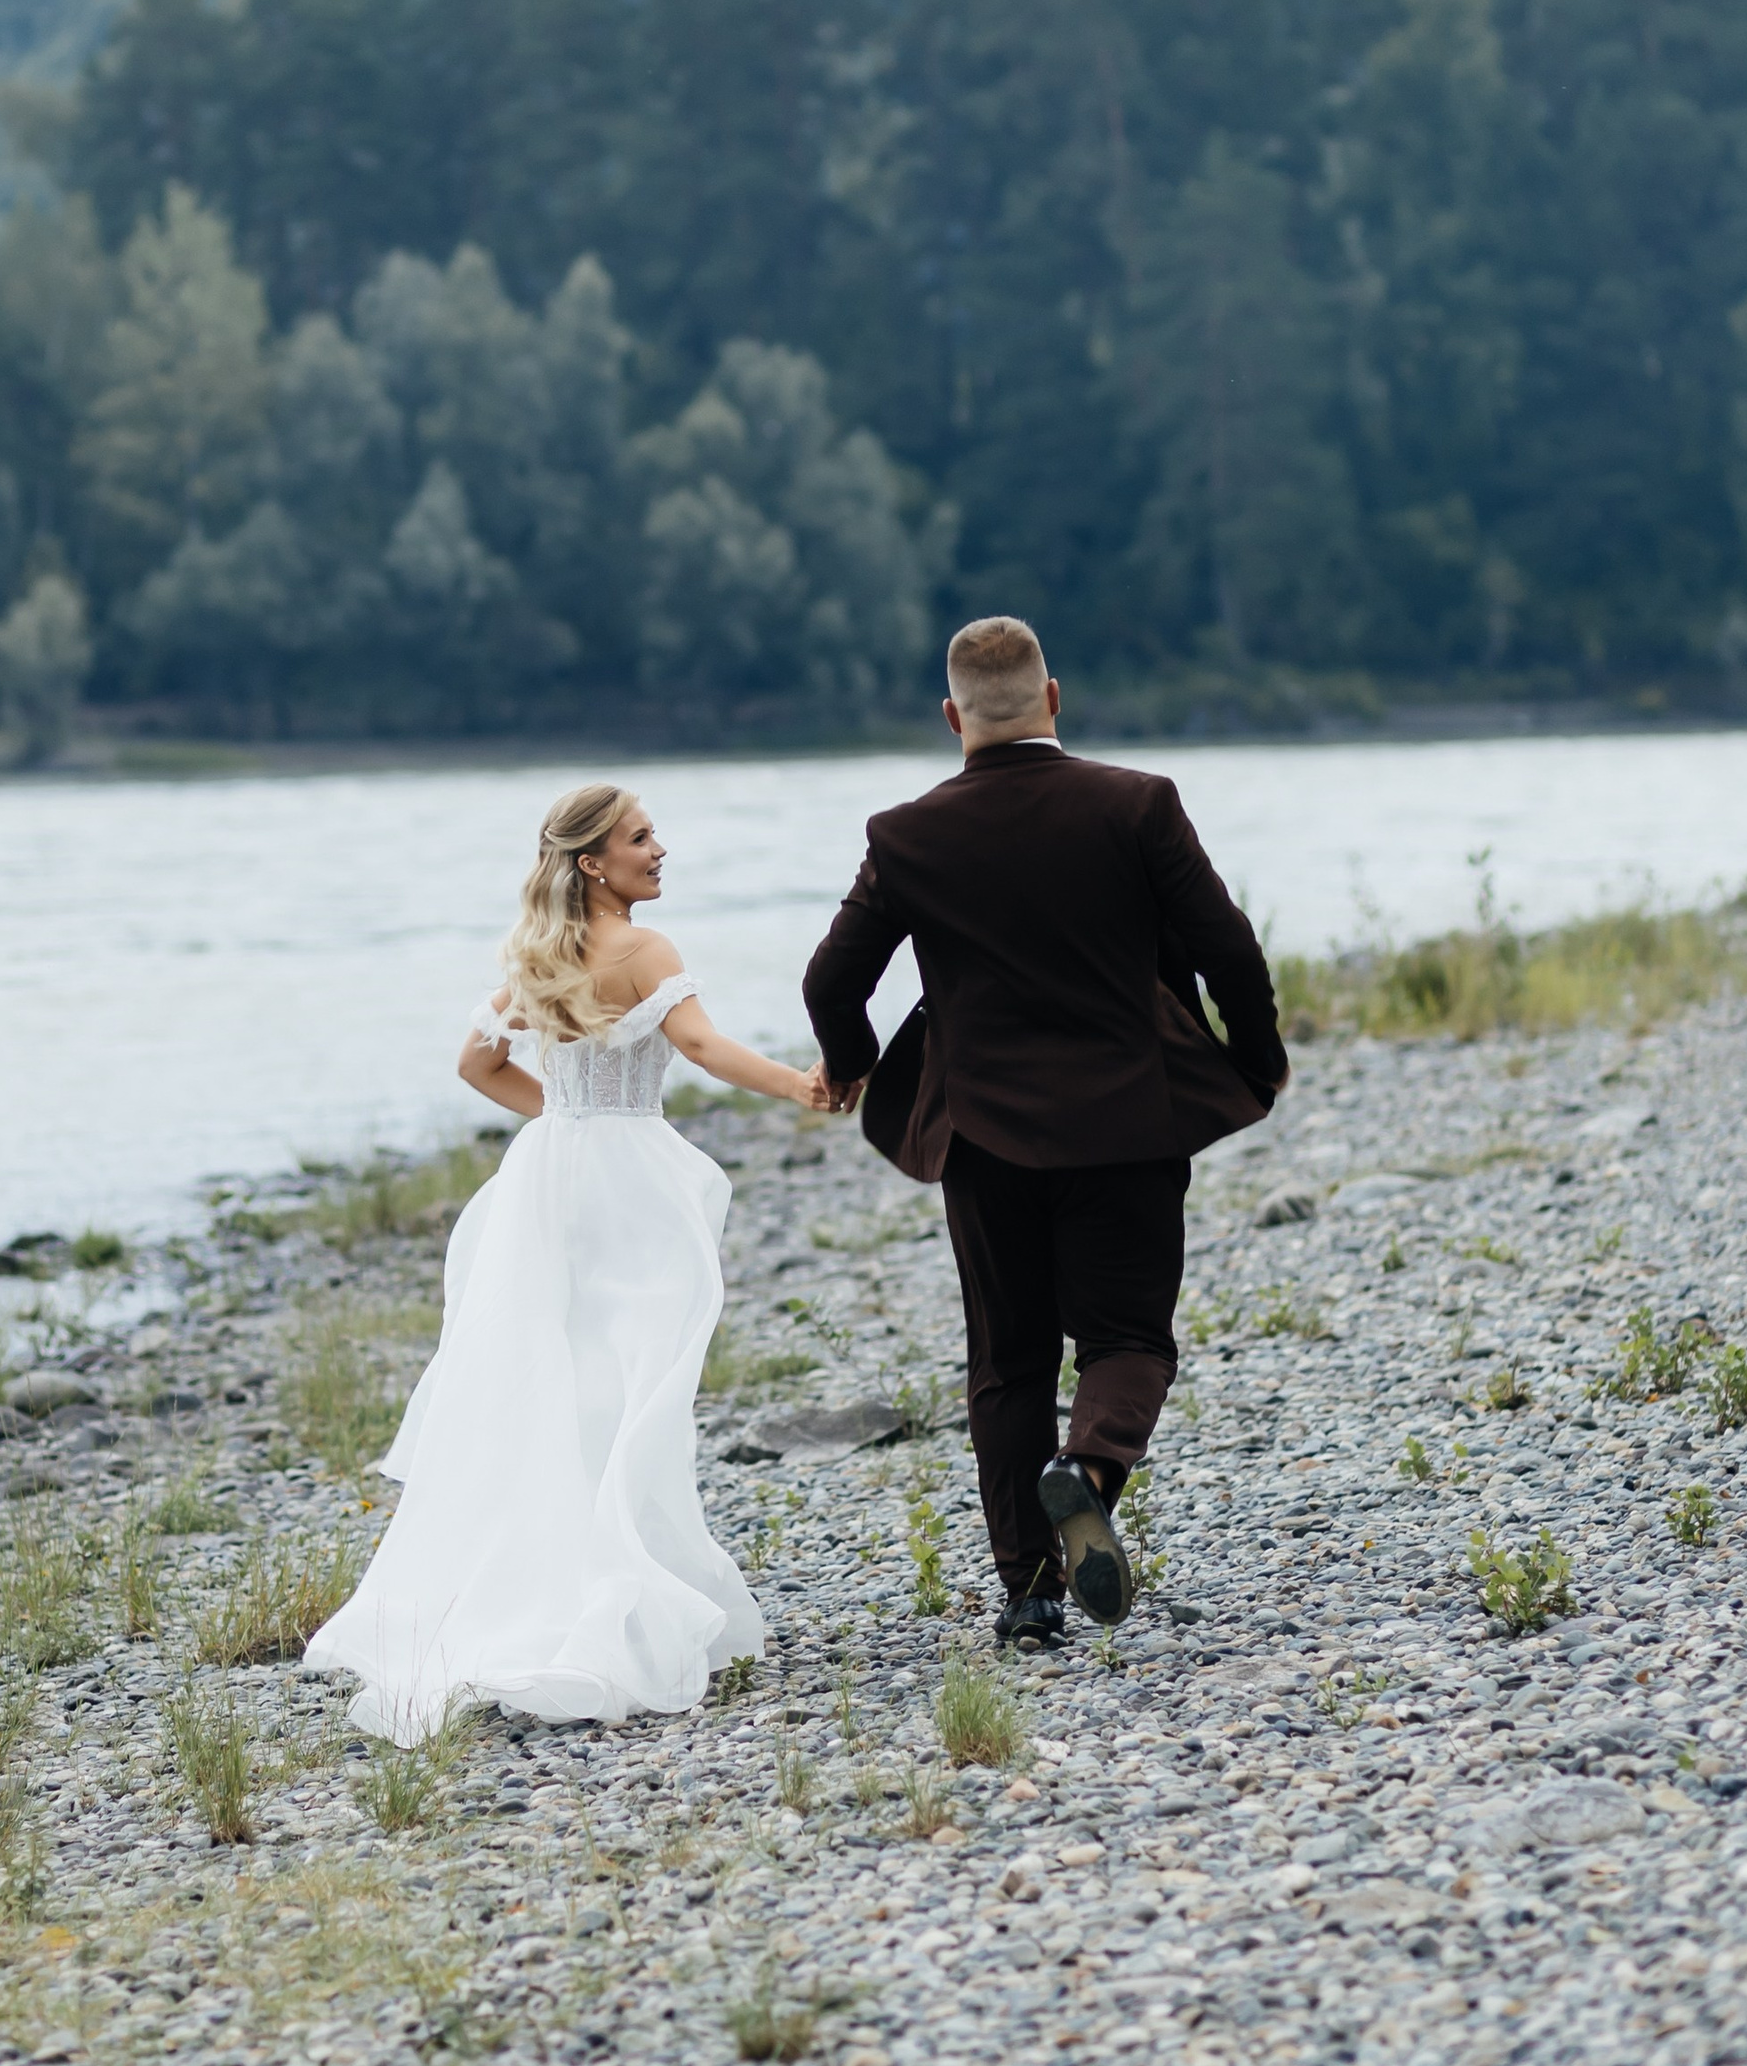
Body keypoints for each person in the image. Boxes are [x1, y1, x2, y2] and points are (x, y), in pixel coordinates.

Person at [305, 782, 828, 1741]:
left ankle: (551, 1583)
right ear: (594, 862)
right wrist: (801, 1085)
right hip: (629, 1180)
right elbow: (703, 1046)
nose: (659, 849)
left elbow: (476, 1065)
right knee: (633, 1385)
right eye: (640, 838)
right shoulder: (645, 951)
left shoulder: (535, 955)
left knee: (551, 1383)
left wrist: (564, 1121)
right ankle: (616, 1592)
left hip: (548, 1177)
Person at [802, 618, 1286, 1646]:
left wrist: (849, 1068)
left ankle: (1028, 1592)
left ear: (951, 717)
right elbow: (1226, 948)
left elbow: (831, 980)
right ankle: (1090, 1469)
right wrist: (1252, 1060)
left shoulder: (906, 834)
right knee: (1126, 1338)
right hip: (1126, 1118)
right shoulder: (1135, 804)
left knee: (1007, 1362)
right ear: (1052, 699)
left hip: (982, 1136)